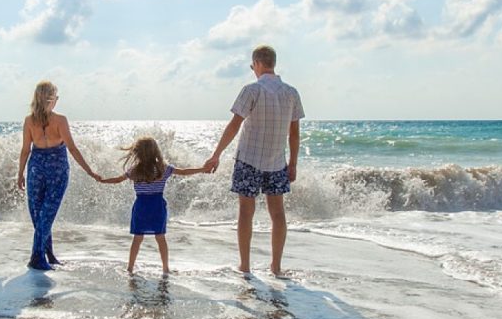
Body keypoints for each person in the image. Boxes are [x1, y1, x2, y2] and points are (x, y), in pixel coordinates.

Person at [202, 45, 304, 276]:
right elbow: (295, 134)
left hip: (249, 159)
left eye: (252, 66)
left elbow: (234, 125)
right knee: (277, 214)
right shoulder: (291, 93)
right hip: (277, 162)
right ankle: (276, 267)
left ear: (257, 64)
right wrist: (294, 163)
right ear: (273, 63)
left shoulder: (251, 90)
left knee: (246, 213)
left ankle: (245, 266)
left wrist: (216, 153)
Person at [17, 81, 99, 271]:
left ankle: (48, 254)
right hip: (56, 170)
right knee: (45, 215)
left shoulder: (29, 120)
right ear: (52, 99)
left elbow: (25, 150)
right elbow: (71, 148)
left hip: (36, 168)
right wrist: (89, 171)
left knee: (41, 215)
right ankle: (37, 257)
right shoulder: (60, 120)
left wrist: (20, 173)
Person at [97, 136, 206, 274]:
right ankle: (165, 268)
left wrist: (103, 180)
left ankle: (130, 268)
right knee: (160, 238)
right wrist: (202, 169)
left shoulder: (134, 170)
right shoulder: (163, 169)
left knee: (137, 238)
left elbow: (118, 180)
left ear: (137, 153)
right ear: (156, 151)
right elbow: (184, 172)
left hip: (141, 207)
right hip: (157, 207)